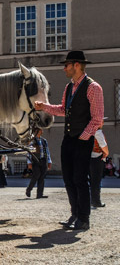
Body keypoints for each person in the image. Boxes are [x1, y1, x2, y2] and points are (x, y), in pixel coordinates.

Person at [34, 50, 104, 231]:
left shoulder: (93, 87)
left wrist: (83, 137)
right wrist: (45, 107)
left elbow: (97, 119)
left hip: (82, 139)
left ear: (77, 65)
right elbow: (64, 109)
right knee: (68, 178)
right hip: (69, 139)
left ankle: (84, 218)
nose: (64, 68)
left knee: (80, 179)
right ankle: (74, 213)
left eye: (67, 65)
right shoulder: (69, 87)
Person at [25, 128, 52, 199]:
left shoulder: (44, 140)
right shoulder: (32, 141)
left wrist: (49, 161)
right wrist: (29, 162)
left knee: (42, 177)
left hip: (43, 160)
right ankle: (29, 189)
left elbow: (47, 151)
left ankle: (40, 194)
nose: (42, 131)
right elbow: (29, 152)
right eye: (40, 130)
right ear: (36, 131)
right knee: (36, 175)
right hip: (35, 160)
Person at [89, 125, 109, 208]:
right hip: (97, 158)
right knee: (96, 181)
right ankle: (96, 201)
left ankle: (91, 200)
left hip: (88, 158)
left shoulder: (87, 131)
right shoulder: (98, 132)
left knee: (91, 181)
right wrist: (106, 153)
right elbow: (103, 145)